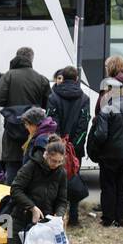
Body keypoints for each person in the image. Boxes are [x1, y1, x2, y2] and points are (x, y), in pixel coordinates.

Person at [87, 77, 123, 227]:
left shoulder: (106, 110)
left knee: (108, 186)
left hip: (108, 156)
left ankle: (108, 218)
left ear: (109, 92)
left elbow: (100, 135)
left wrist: (97, 148)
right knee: (121, 185)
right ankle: (121, 218)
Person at [0, 47, 50, 183]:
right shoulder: (41, 79)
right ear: (31, 59)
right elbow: (47, 104)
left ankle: (12, 202)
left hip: (12, 134)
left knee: (12, 177)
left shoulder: (8, 76)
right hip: (33, 134)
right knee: (31, 177)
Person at [8, 139, 68, 244]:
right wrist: (32, 207)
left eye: (59, 162)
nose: (55, 165)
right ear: (46, 155)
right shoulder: (31, 166)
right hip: (18, 219)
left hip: (44, 224)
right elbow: (15, 189)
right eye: (53, 161)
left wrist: (59, 215)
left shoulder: (61, 173)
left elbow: (62, 200)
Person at [46, 66, 90, 225]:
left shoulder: (53, 97)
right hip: (75, 147)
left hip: (57, 146)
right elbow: (83, 124)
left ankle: (55, 215)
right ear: (77, 79)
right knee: (73, 177)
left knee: (54, 179)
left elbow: (51, 122)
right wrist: (75, 144)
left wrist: (58, 142)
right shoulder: (84, 98)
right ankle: (74, 215)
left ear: (62, 78)